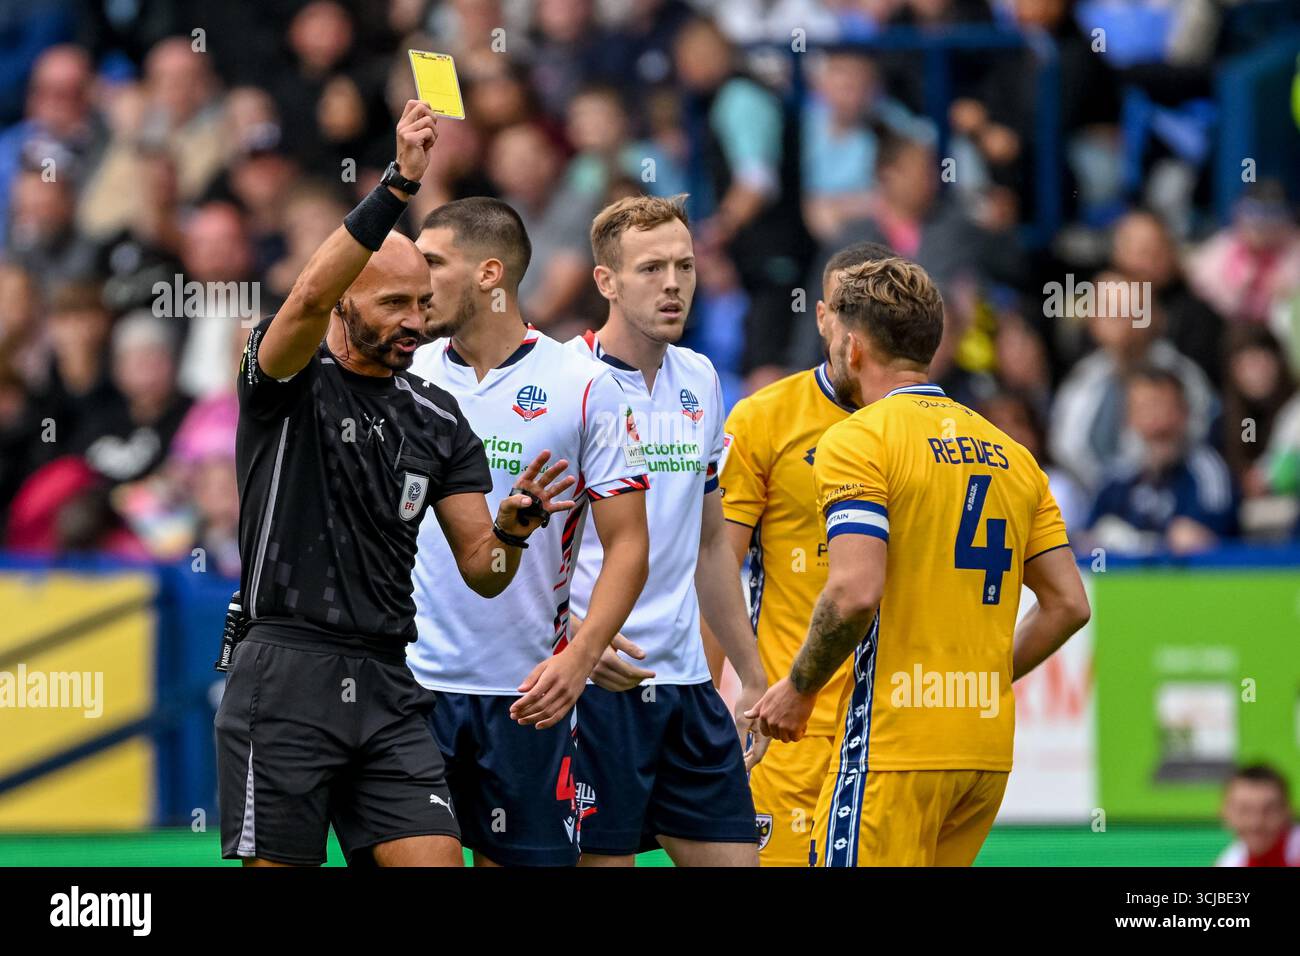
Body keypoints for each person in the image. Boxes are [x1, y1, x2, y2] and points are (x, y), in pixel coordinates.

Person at [215, 101, 574, 868]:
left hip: (386, 680)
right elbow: (305, 296)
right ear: (346, 302)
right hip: (283, 672)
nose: (416, 321)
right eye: (394, 304)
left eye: (422, 303)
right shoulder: (285, 377)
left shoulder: (437, 415)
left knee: (438, 859)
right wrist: (400, 186)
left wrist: (514, 530)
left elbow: (484, 570)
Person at [749, 257, 1091, 866]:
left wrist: (800, 688)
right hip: (983, 751)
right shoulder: (1010, 452)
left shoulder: (858, 439)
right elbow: (1068, 604)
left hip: (893, 747)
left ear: (852, 347)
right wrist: (980, 681)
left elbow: (855, 592)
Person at [406, 196, 651, 867]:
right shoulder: (409, 378)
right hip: (412, 693)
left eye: (432, 262)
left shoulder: (584, 385)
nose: (414, 277)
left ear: (489, 274)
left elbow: (628, 541)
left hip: (528, 698)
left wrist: (579, 656)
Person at [566, 194, 767, 867]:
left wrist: (753, 675)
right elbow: (520, 549)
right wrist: (572, 641)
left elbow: (711, 544)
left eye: (684, 265)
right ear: (606, 282)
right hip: (595, 690)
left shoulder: (702, 379)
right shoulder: (564, 380)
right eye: (651, 269)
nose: (674, 283)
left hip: (685, 687)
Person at [715, 240, 892, 866]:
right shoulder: (764, 418)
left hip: (893, 729)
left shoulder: (927, 426)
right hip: (788, 724)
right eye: (846, 311)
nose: (854, 333)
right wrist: (707, 708)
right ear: (822, 316)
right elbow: (718, 567)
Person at [1086, 367, 1236, 556]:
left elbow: (1201, 540)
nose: (1156, 423)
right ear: (1128, 419)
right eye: (1144, 409)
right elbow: (1088, 541)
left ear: (1184, 413)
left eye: (1163, 408)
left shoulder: (1207, 470)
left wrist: (1130, 542)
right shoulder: (1116, 478)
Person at [1215, 764, 1300, 867]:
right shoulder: (1228, 863)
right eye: (1244, 810)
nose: (1256, 823)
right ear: (1224, 814)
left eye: (1269, 810)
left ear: (1288, 812)